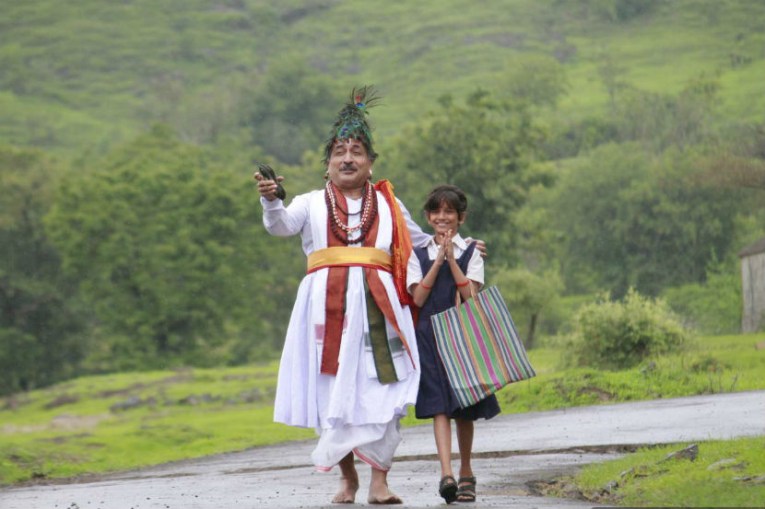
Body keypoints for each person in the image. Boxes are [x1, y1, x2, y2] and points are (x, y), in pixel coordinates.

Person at [255, 86, 431, 505]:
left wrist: (461, 247)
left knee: (386, 390)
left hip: (381, 311)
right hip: (325, 311)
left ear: (371, 163)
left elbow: (422, 242)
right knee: (332, 392)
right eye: (339, 152)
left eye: (356, 152)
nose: (347, 158)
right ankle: (348, 479)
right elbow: (280, 226)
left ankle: (379, 482)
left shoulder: (389, 204)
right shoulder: (310, 202)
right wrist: (272, 201)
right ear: (328, 164)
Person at [406, 185, 500, 504]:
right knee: (438, 405)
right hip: (429, 336)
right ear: (428, 216)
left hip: (463, 337)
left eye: (449, 211)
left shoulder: (471, 251)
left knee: (464, 407)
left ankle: (466, 471)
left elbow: (471, 295)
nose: (442, 217)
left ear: (461, 217)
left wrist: (452, 260)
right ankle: (446, 474)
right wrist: (437, 263)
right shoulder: (418, 254)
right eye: (436, 211)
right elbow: (418, 297)